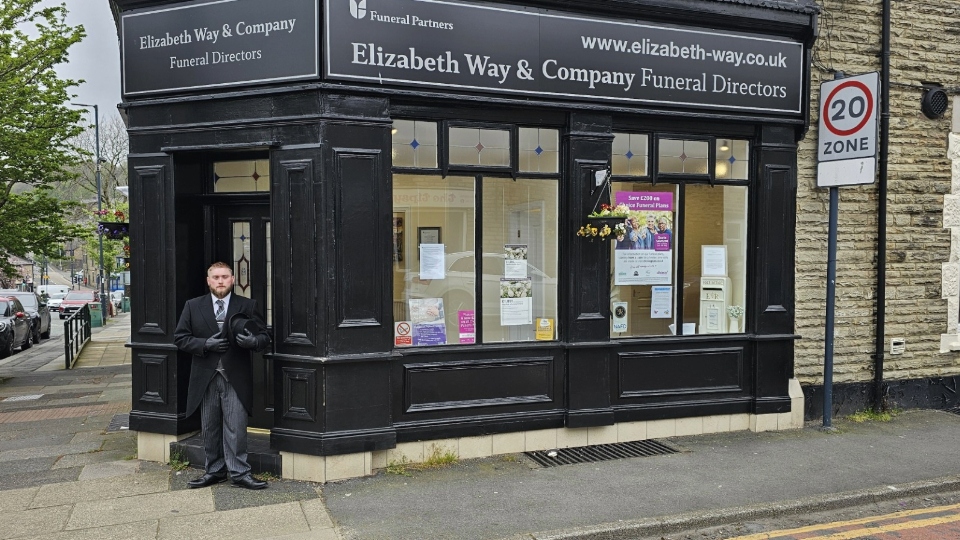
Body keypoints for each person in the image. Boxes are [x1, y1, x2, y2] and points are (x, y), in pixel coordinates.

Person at [174, 262, 271, 490]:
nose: (220, 281)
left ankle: (240, 473)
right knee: (209, 426)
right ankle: (214, 471)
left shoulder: (247, 305)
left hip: (235, 376)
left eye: (225, 277)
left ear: (233, 279)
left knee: (236, 427)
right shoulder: (193, 306)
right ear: (208, 281)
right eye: (216, 277)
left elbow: (265, 337)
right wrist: (205, 343)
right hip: (205, 377)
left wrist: (254, 342)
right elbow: (180, 338)